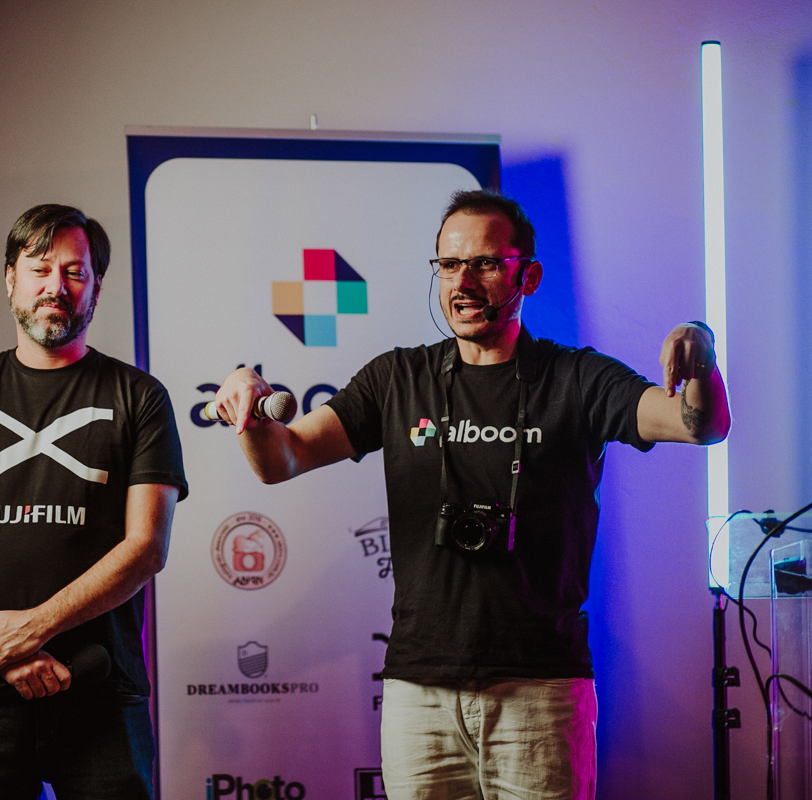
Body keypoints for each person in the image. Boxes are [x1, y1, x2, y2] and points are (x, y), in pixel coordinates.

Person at [210, 190, 729, 800]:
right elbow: (283, 459)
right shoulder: (397, 379)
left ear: (527, 275)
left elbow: (700, 425)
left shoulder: (577, 378)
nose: (462, 281)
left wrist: (700, 354)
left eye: (484, 263)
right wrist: (246, 407)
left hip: (542, 692)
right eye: (449, 265)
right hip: (419, 694)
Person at [0, 204, 187, 800]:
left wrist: (29, 630)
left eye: (75, 272)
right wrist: (6, 654)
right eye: (40, 268)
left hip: (101, 692)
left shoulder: (140, 396)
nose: (57, 286)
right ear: (11, 279)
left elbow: (146, 547)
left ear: (96, 288)